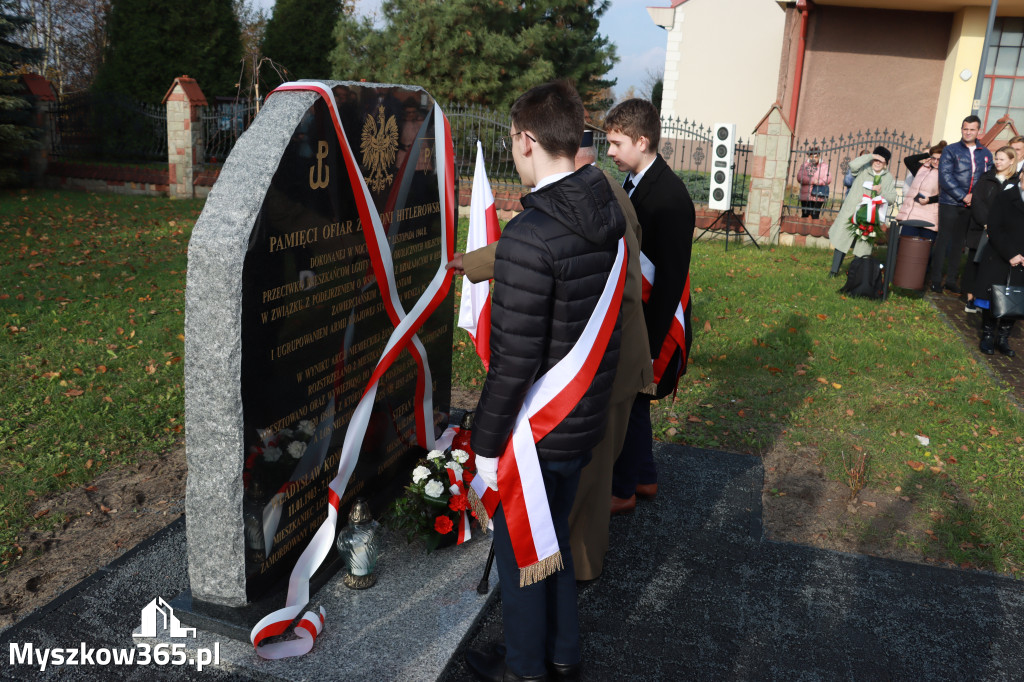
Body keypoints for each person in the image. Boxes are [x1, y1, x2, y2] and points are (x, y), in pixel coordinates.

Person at [463, 81, 627, 682]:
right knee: (552, 541)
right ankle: (563, 655)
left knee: (523, 556)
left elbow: (514, 362)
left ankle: (524, 669)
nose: (512, 150)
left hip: (537, 431)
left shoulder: (530, 237)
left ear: (528, 140)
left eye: (512, 140)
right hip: (582, 417)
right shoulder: (603, 208)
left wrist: (483, 446)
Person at [448, 126, 652, 583]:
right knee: (578, 482)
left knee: (589, 484)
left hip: (602, 354)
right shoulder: (592, 197)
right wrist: (478, 263)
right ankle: (564, 581)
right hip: (599, 352)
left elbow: (558, 247)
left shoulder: (604, 199)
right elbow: (547, 246)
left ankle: (579, 573)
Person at [604, 98, 695, 515]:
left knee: (628, 396)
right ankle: (644, 476)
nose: (610, 152)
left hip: (650, 319)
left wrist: (654, 344)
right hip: (634, 312)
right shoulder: (637, 181)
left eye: (616, 143)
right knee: (635, 400)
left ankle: (621, 489)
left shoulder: (671, 197)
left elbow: (671, 280)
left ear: (642, 141)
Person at [932, 115, 993, 294]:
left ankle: (951, 279)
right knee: (943, 241)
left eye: (972, 129)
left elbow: (987, 178)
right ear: (961, 129)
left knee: (959, 244)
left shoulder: (985, 153)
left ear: (978, 131)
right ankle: (935, 280)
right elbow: (945, 176)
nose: (968, 132)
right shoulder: (951, 150)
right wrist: (962, 195)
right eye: (965, 129)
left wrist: (974, 196)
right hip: (950, 202)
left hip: (971, 204)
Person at [972, 171, 1024, 356]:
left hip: (1023, 261)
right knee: (992, 297)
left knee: (1016, 299)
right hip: (999, 255)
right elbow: (994, 227)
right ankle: (987, 336)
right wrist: (1011, 254)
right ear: (1021, 175)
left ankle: (1003, 339)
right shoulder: (1005, 197)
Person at [826, 146, 897, 277]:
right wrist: (871, 156)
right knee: (842, 240)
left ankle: (854, 273)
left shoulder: (887, 178)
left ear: (886, 163)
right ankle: (834, 271)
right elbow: (853, 165)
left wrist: (881, 191)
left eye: (881, 161)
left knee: (863, 245)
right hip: (851, 212)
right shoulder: (863, 169)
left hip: (870, 217)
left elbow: (892, 197)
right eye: (876, 159)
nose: (877, 162)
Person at [964, 145, 1018, 313]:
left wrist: (997, 226)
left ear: (1011, 161)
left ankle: (987, 300)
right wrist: (987, 223)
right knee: (974, 264)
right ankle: (970, 299)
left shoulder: (1015, 182)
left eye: (1002, 159)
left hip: (1001, 233)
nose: (998, 162)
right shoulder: (987, 177)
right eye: (996, 158)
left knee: (991, 268)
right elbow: (977, 201)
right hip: (981, 229)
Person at [895, 141, 946, 241]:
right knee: (905, 246)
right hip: (912, 216)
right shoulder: (921, 168)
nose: (936, 161)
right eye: (933, 158)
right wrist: (929, 153)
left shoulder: (945, 174)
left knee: (924, 251)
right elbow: (908, 160)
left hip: (929, 218)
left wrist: (930, 200)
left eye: (939, 159)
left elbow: (945, 195)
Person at [797, 147, 831, 218]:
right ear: (809, 157)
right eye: (812, 156)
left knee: (815, 216)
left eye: (816, 156)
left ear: (819, 156)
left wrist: (818, 181)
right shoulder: (804, 165)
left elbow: (828, 178)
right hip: (806, 194)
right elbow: (800, 177)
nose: (814, 158)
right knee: (805, 215)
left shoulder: (824, 166)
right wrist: (812, 180)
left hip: (818, 195)